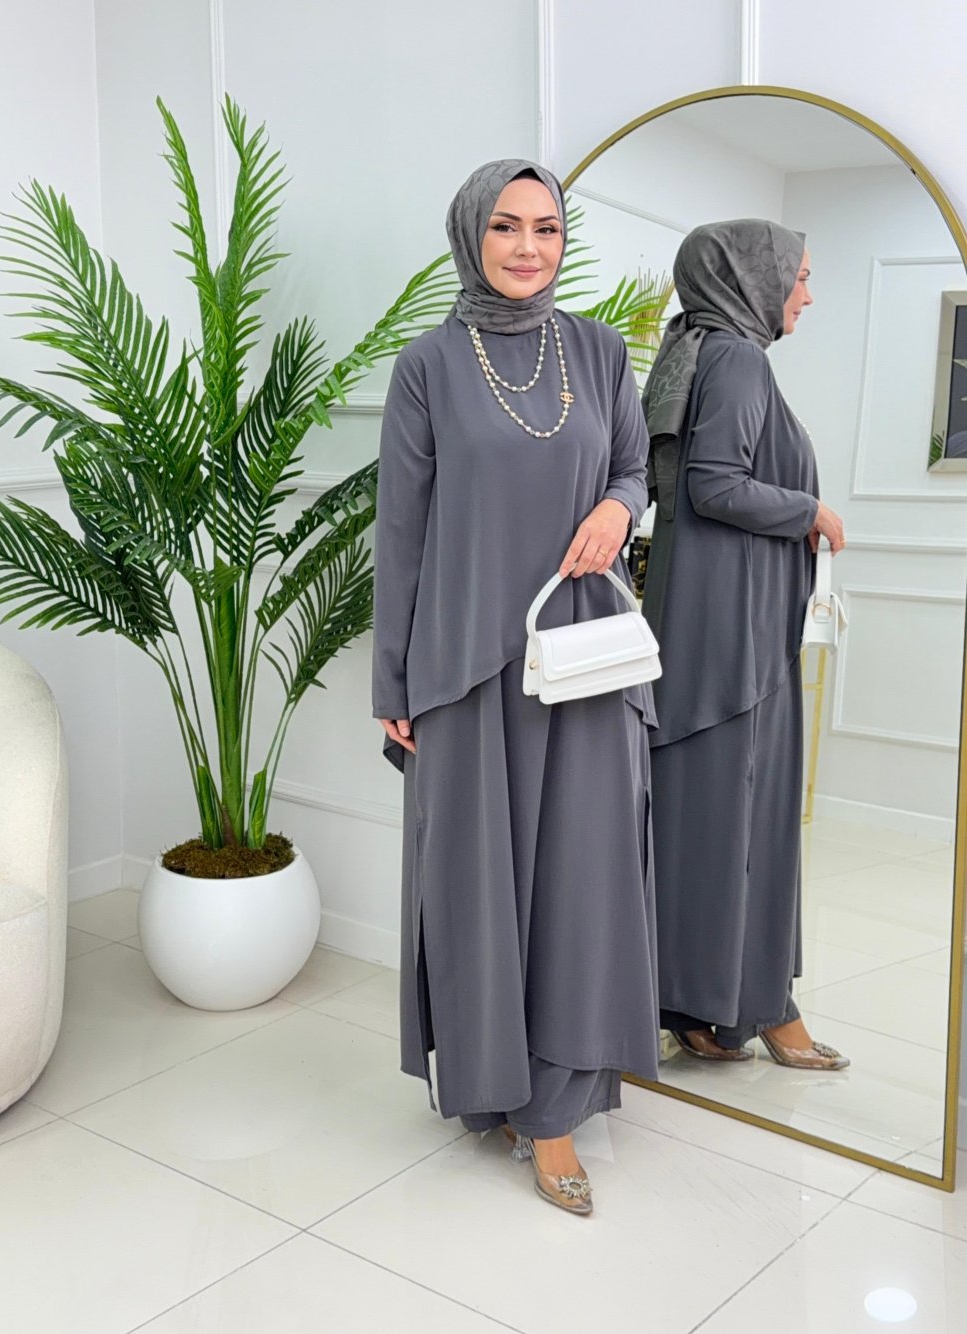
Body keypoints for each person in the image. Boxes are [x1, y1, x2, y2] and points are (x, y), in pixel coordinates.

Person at [372, 159, 659, 1215]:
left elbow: (633, 467)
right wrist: (394, 680)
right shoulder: (427, 367)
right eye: (506, 226)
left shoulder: (600, 349)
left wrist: (619, 509)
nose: (529, 247)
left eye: (546, 227)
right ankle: (492, 1081)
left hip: (581, 660)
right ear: (471, 235)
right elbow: (400, 533)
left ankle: (555, 1111)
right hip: (466, 664)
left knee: (580, 881)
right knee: (477, 886)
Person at [640, 218, 850, 1071]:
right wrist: (812, 512)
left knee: (705, 822)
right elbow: (714, 486)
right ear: (752, 279)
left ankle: (700, 1010)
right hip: (736, 640)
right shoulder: (736, 359)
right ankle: (761, 1008)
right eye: (799, 276)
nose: (807, 294)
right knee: (746, 825)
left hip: (709, 626)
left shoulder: (700, 349)